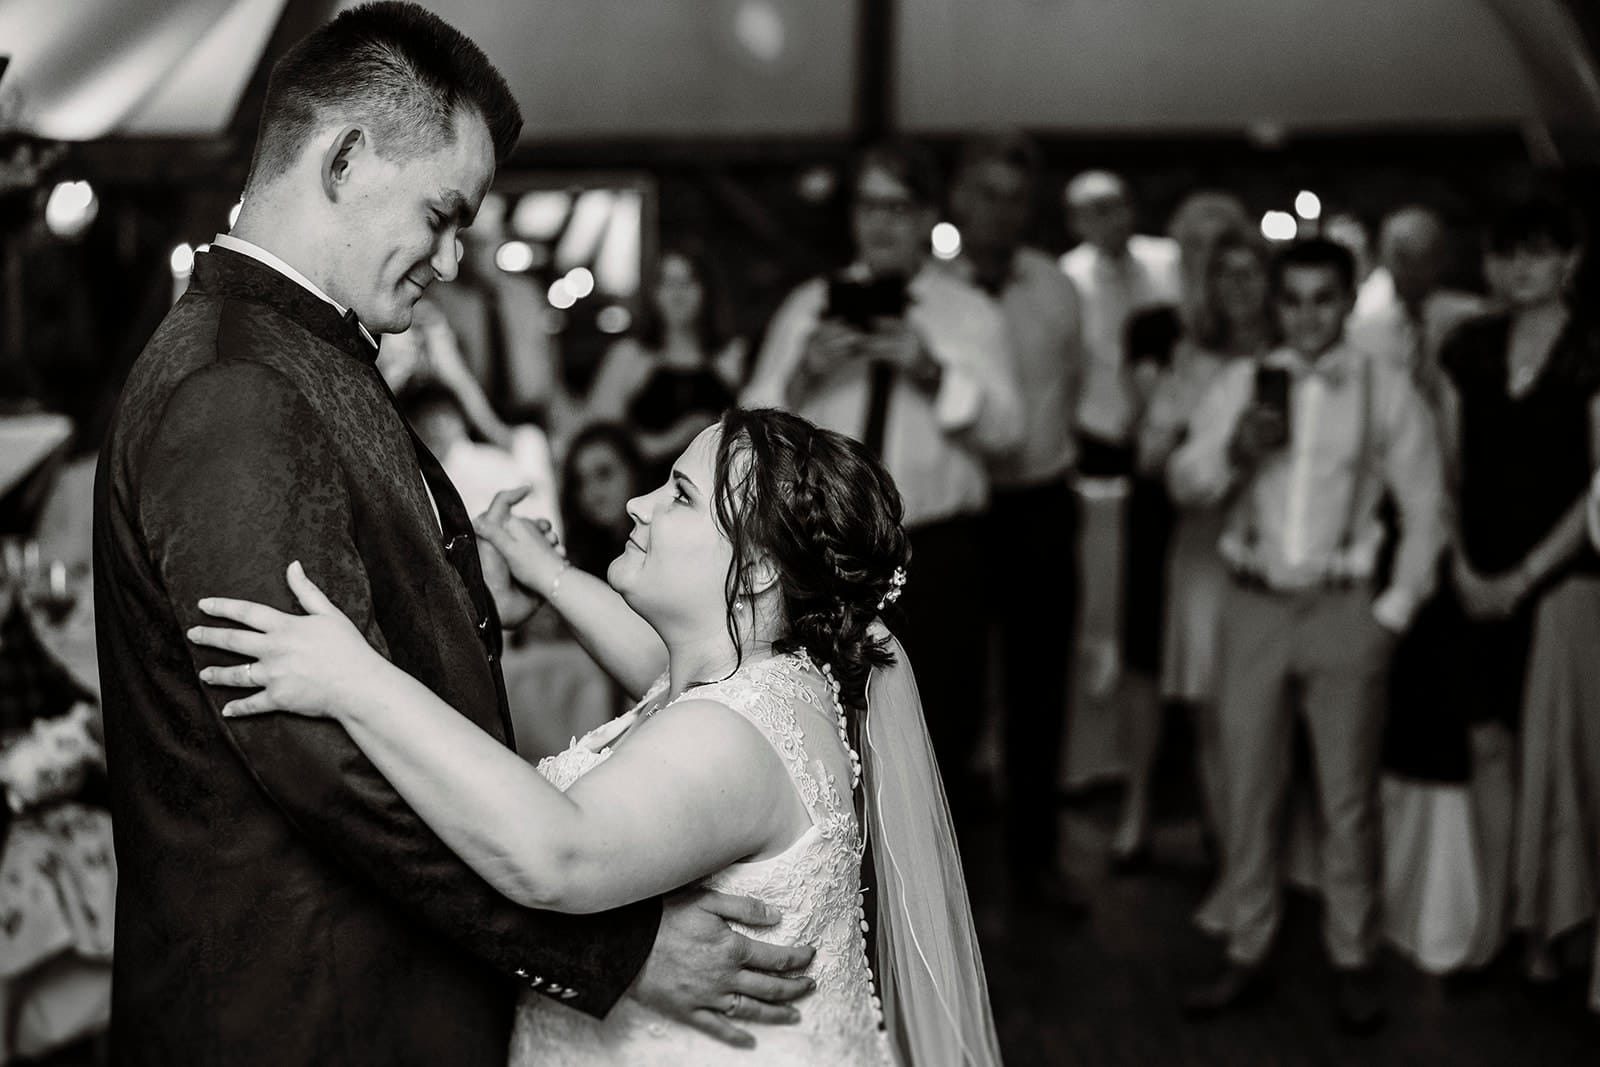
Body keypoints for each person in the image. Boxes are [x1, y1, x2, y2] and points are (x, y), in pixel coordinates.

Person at [91, 6, 809, 1063]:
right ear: (344, 158)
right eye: (441, 213)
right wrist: (606, 947)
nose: (453, 254)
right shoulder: (236, 388)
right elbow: (322, 760)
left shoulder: (300, 349)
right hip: (303, 1013)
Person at [188, 408, 1002, 1066]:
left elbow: (557, 856)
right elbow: (651, 658)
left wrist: (353, 677)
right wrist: (544, 573)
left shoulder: (732, 736)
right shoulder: (763, 675)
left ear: (754, 572)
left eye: (679, 495)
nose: (637, 505)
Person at [1170, 238, 1447, 1034]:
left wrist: (1391, 611)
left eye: (1323, 298)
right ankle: (1247, 948)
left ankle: (1353, 956)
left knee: (1346, 798)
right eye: (1292, 300)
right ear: (1277, 305)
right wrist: (1234, 451)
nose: (1306, 316)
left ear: (1349, 298)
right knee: (1248, 786)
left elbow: (1426, 508)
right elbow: (1186, 479)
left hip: (1343, 609)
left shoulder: (1385, 388)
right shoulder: (1240, 382)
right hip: (1251, 603)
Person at [742, 141, 1022, 843]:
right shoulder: (809, 305)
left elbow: (1012, 432)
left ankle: (936, 901)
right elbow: (747, 433)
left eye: (897, 206)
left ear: (928, 215)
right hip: (827, 559)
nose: (881, 223)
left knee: (943, 730)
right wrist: (802, 374)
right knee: (825, 727)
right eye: (869, 205)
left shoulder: (966, 313)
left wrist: (934, 372)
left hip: (940, 555)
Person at [1433, 196, 1600, 1005]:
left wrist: (1527, 574)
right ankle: (1494, 917)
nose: (1521, 268)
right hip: (1477, 567)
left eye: (1539, 251)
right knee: (1489, 747)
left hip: (1563, 580)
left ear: (1571, 258)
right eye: (1509, 252)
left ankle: (1550, 924)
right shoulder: (1468, 344)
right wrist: (1464, 563)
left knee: (1551, 756)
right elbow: (1452, 465)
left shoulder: (1593, 348)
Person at [945, 131, 1085, 909]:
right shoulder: (933, 294)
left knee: (1041, 690)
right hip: (963, 512)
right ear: (960, 200)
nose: (1001, 212)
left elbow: (1073, 382)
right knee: (956, 698)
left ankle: (1038, 862)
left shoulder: (1057, 289)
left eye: (1015, 197)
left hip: (1039, 502)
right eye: (987, 193)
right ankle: (955, 875)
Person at [1116, 226, 1273, 874]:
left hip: (1277, 546)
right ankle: (1228, 849)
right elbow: (1152, 456)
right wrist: (1190, 429)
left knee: (1266, 712)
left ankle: (1264, 855)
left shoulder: (1292, 353)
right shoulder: (1191, 358)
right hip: (1204, 543)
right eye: (1224, 274)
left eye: (1251, 273)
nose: (1238, 287)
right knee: (1211, 710)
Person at [586, 246, 745, 485]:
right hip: (646, 493)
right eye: (667, 282)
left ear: (707, 290)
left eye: (688, 281)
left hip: (717, 495)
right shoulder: (629, 356)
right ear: (652, 292)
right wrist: (668, 441)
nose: (677, 293)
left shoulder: (731, 357)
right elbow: (599, 441)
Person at [558, 421, 648, 581]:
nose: (591, 493)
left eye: (604, 473)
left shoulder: (667, 539)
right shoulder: (581, 562)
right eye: (580, 482)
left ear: (634, 472)